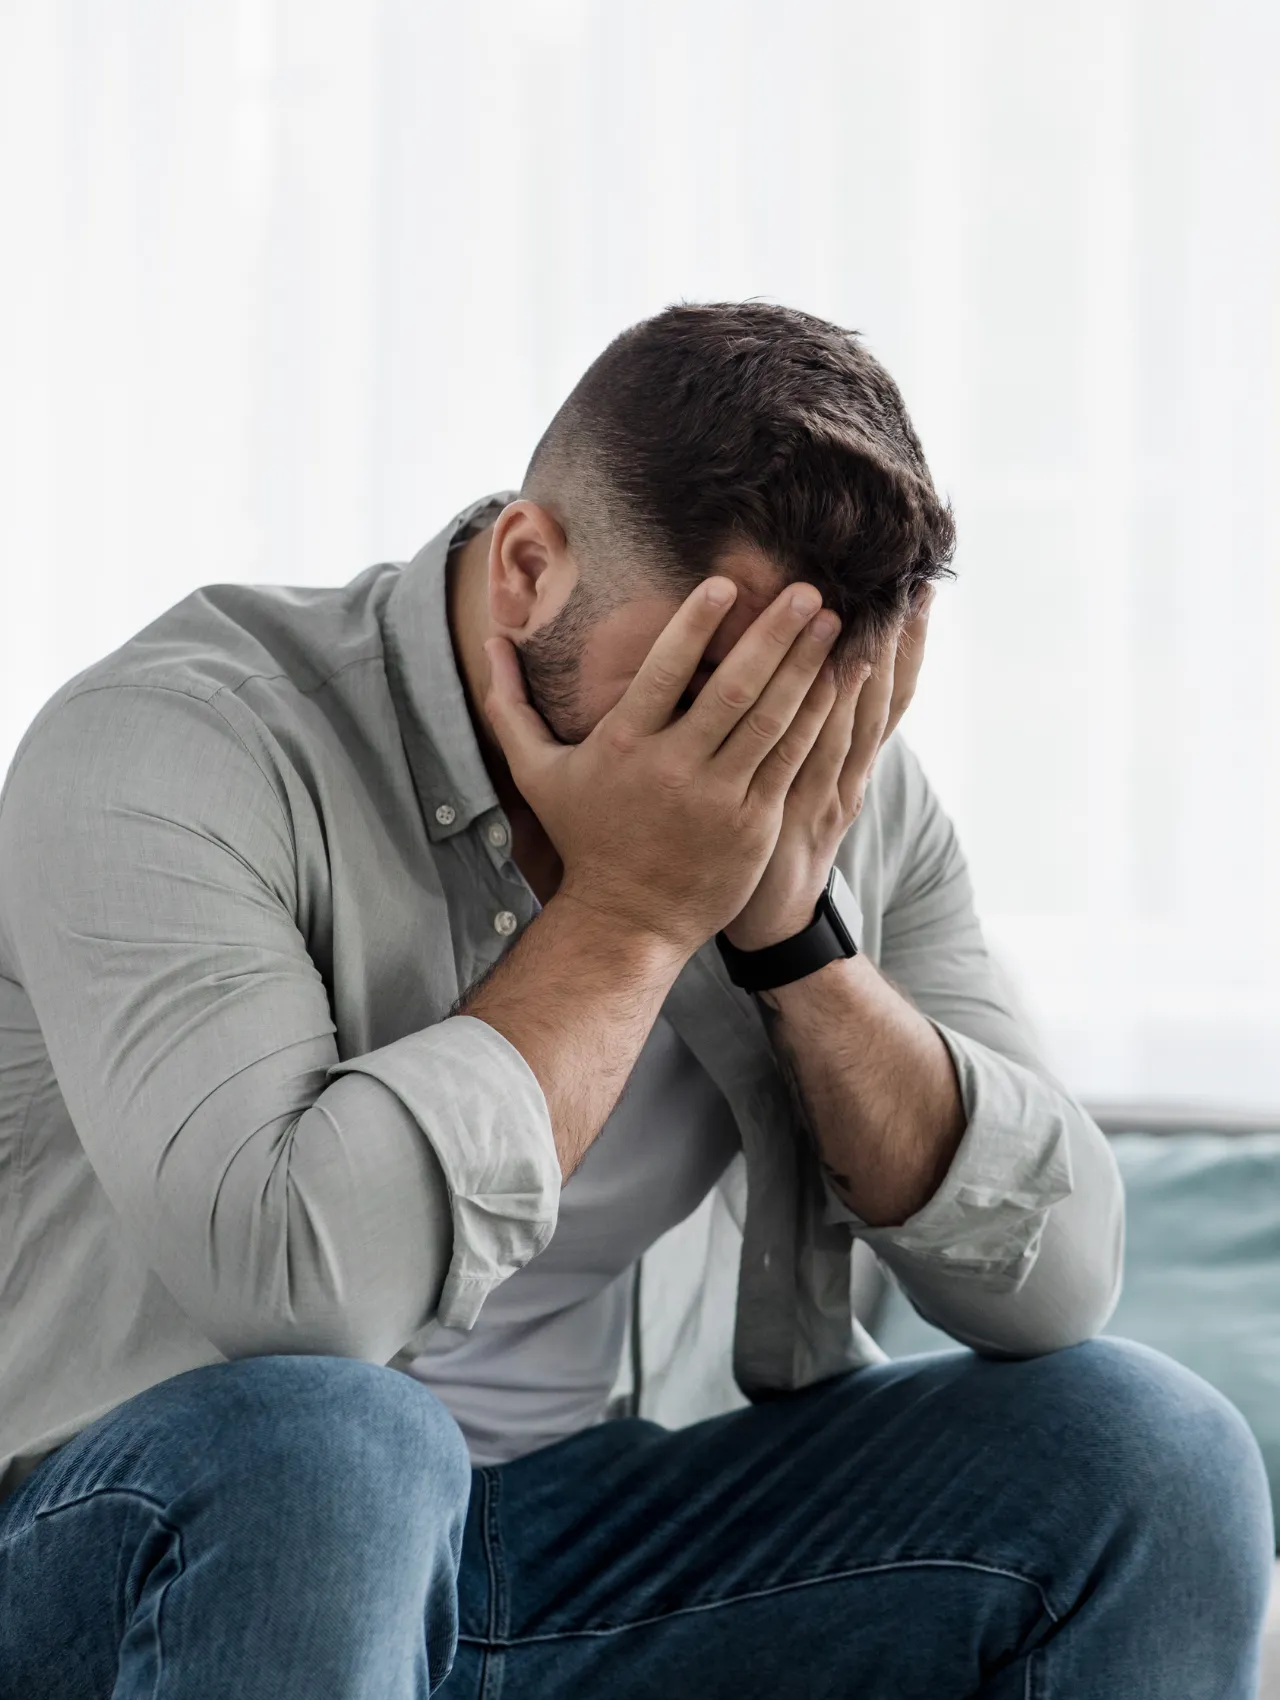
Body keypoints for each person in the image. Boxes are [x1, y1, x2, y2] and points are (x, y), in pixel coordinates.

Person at [0, 301, 1271, 1699]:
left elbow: (1062, 1275)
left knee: (1152, 1454)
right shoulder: (182, 743)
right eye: (707, 688)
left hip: (597, 1541)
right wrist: (633, 913)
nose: (752, 759)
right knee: (343, 1450)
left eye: (809, 701)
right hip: (174, 1531)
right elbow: (297, 1294)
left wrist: (793, 939)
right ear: (530, 569)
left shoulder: (831, 783)